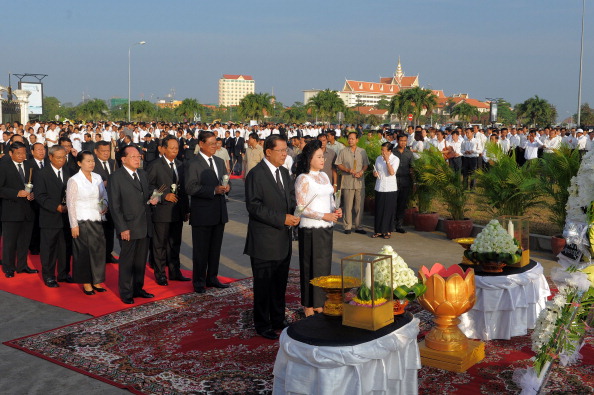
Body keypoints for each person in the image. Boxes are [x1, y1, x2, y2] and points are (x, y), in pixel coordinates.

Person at [244, 135, 299, 340]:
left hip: (283, 238)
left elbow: (290, 199)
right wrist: (281, 218)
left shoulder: (284, 173)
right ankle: (262, 323)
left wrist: (297, 213)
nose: (285, 154)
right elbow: (254, 207)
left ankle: (278, 318)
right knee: (264, 284)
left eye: (286, 150)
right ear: (268, 152)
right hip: (264, 240)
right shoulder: (256, 174)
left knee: (279, 283)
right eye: (281, 150)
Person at [294, 140, 341, 317]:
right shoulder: (303, 178)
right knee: (310, 267)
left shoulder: (325, 176)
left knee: (323, 267)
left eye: (323, 156)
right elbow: (301, 207)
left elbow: (330, 199)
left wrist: (335, 210)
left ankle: (320, 303)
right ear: (310, 159)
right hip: (310, 229)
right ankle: (308, 305)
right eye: (319, 157)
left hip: (326, 227)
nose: (323, 159)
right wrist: (324, 215)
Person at [108, 146, 156, 304]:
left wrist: (156, 196)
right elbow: (114, 206)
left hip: (144, 224)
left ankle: (138, 288)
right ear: (123, 159)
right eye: (134, 156)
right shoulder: (116, 177)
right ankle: (126, 292)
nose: (138, 159)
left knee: (140, 260)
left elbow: (148, 192)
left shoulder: (142, 174)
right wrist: (122, 227)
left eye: (139, 156)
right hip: (128, 226)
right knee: (127, 261)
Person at [185, 131, 231, 293]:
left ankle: (212, 277)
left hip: (219, 212)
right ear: (201, 144)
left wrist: (227, 187)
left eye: (216, 143)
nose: (214, 146)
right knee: (201, 250)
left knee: (214, 249)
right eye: (211, 143)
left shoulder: (219, 161)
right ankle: (198, 281)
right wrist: (213, 190)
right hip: (202, 214)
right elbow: (190, 187)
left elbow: (226, 179)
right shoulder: (193, 163)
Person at [147, 137, 190, 285]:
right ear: (163, 149)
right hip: (161, 212)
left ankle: (175, 272)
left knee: (175, 243)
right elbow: (147, 188)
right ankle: (160, 274)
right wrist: (164, 196)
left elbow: (183, 190)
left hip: (177, 212)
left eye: (177, 148)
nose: (174, 151)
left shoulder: (180, 165)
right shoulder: (155, 165)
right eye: (171, 148)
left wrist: (186, 209)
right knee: (160, 245)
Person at [67, 151, 108, 295]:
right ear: (79, 163)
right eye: (88, 161)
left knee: (98, 251)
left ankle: (96, 280)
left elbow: (103, 195)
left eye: (93, 161)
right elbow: (70, 204)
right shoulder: (74, 180)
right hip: (81, 219)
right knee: (83, 253)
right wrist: (74, 225)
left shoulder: (97, 177)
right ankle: (86, 282)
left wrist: (104, 206)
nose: (92, 163)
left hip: (97, 218)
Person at [34, 145, 72, 287]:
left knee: (64, 248)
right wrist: (56, 207)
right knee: (49, 248)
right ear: (50, 157)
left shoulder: (69, 171)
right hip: (50, 217)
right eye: (58, 157)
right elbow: (40, 195)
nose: (62, 160)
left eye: (64, 157)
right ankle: (49, 275)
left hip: (66, 217)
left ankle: (63, 273)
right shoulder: (41, 173)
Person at [0, 142, 38, 277]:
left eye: (24, 153)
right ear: (11, 153)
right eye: (19, 153)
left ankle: (22, 266)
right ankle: (8, 267)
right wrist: (16, 193)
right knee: (10, 242)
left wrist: (34, 193)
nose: (22, 156)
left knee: (24, 241)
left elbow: (36, 184)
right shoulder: (3, 167)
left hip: (28, 210)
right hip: (11, 211)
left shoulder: (30, 165)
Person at [335, 131, 369, 235]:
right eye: (349, 138)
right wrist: (347, 169)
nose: (350, 140)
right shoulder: (343, 151)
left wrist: (361, 172)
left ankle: (358, 226)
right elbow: (338, 164)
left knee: (359, 206)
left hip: (359, 182)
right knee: (348, 206)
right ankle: (347, 226)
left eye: (352, 139)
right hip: (348, 181)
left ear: (357, 140)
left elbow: (366, 164)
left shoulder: (362, 151)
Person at [93, 140, 119, 264]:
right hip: (98, 202)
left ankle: (108, 253)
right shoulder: (92, 164)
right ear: (96, 151)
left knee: (110, 230)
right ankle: (99, 255)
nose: (106, 153)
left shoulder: (113, 163)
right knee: (98, 231)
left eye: (108, 151)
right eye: (103, 151)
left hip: (113, 201)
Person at [372, 142, 399, 239]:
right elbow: (375, 170)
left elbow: (392, 172)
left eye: (384, 150)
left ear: (389, 151)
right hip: (379, 186)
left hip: (390, 188)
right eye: (381, 150)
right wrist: (375, 173)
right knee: (379, 209)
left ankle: (387, 230)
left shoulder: (395, 159)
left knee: (388, 210)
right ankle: (378, 230)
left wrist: (387, 161)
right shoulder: (378, 158)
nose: (382, 152)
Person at [392, 133, 414, 233]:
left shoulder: (409, 153)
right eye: (401, 140)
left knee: (402, 204)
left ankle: (399, 225)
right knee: (393, 203)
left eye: (405, 141)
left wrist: (414, 182)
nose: (403, 143)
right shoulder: (392, 152)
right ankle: (391, 224)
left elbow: (412, 168)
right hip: (393, 181)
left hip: (405, 181)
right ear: (397, 141)